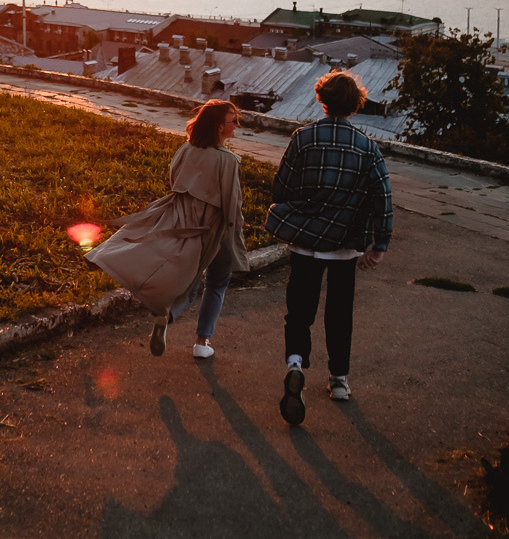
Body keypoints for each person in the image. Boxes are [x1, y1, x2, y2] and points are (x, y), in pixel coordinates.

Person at [264, 69, 393, 426]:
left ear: (321, 99)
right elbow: (383, 198)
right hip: (345, 248)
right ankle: (339, 380)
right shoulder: (368, 148)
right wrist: (378, 246)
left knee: (299, 311)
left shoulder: (303, 138)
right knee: (339, 314)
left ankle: (295, 364)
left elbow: (282, 189)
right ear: (356, 105)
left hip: (305, 244)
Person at [85, 99, 248, 357]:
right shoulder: (228, 162)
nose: (237, 125)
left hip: (183, 218)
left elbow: (175, 180)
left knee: (189, 281)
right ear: (220, 127)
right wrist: (236, 239)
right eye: (234, 121)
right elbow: (232, 205)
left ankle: (167, 316)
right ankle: (201, 343)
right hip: (214, 228)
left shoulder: (186, 149)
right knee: (217, 283)